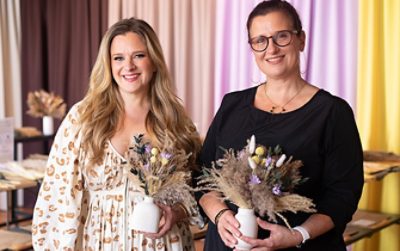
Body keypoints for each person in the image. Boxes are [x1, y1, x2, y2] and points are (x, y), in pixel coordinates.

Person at [197, 1, 364, 250]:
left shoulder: (332, 112)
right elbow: (203, 176)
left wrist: (297, 235)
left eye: (281, 36)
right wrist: (221, 216)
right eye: (260, 40)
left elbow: (343, 197)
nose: (271, 48)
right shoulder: (231, 104)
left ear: (301, 40)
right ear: (252, 48)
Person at [32, 17, 203, 250]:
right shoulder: (83, 118)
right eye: (119, 58)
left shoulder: (175, 120)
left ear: (153, 61)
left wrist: (177, 212)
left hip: (163, 244)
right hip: (99, 242)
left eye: (139, 56)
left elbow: (196, 188)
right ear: (109, 65)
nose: (129, 66)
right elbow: (57, 197)